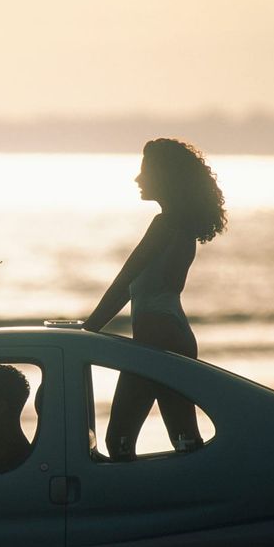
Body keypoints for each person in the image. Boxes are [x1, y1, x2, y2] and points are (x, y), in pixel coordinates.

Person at [82, 138, 227, 459]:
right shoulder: (179, 225)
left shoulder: (166, 225)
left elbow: (124, 281)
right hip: (168, 334)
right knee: (184, 438)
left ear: (165, 176)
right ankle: (198, 495)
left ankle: (148, 503)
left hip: (158, 337)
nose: (137, 179)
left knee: (120, 439)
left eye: (145, 171)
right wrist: (89, 328)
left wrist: (88, 330)